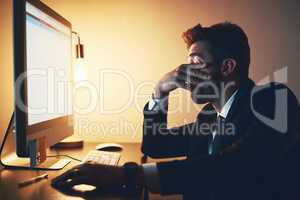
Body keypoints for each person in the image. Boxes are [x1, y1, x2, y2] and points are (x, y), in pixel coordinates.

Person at [52, 22, 300, 200]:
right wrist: (160, 92)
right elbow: (155, 145)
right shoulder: (210, 116)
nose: (184, 71)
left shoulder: (274, 99)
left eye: (195, 61)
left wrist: (129, 175)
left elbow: (237, 164)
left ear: (227, 67)